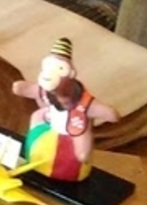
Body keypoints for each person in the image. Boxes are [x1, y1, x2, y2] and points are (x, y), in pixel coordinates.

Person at [12, 36, 119, 182]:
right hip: (51, 120)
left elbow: (109, 114)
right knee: (36, 117)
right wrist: (20, 87)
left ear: (71, 74)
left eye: (60, 68)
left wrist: (109, 113)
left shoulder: (82, 100)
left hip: (75, 125)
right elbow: (28, 89)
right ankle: (33, 153)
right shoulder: (46, 89)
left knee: (82, 155)